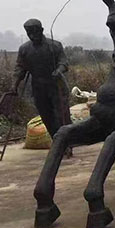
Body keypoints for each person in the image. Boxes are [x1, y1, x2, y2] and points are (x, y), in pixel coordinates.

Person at [12, 19, 71, 148]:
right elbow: (20, 69)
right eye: (29, 33)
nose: (32, 36)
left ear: (42, 30)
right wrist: (14, 85)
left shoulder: (55, 46)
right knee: (46, 116)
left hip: (57, 86)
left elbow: (64, 63)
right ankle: (57, 142)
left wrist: (59, 70)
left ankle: (67, 143)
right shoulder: (24, 49)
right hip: (39, 88)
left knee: (62, 115)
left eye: (35, 32)